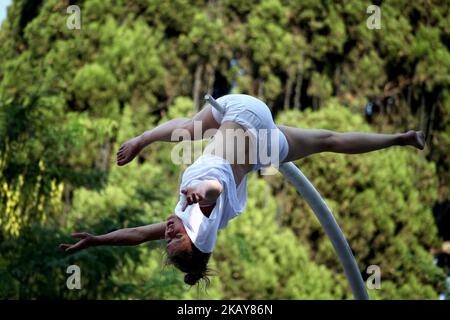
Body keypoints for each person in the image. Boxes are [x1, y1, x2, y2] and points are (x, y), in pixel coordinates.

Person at [60, 94, 425, 285]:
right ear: (195, 239)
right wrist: (200, 191)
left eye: (166, 239)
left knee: (329, 140)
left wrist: (96, 241)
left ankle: (401, 138)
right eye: (173, 240)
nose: (167, 232)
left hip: (263, 149)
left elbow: (137, 235)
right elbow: (215, 188)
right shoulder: (203, 211)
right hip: (245, 115)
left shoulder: (193, 223)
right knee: (189, 128)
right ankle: (143, 139)